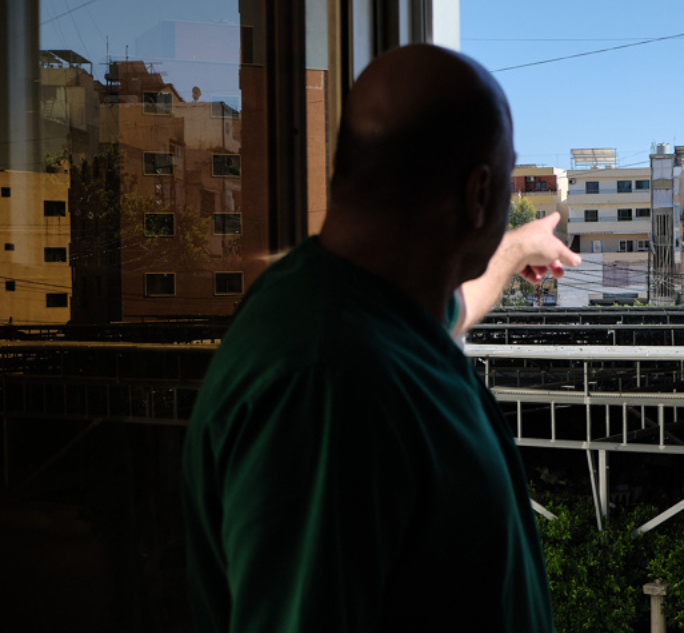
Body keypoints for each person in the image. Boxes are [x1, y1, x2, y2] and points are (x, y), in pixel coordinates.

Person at [181, 44, 580, 633]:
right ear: (478, 194)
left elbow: (447, 314)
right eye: (509, 179)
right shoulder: (326, 387)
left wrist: (516, 247)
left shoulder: (359, 311)